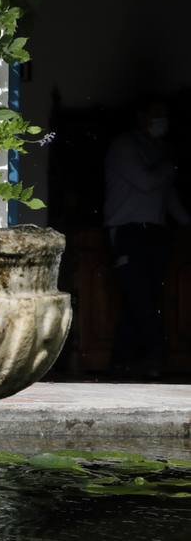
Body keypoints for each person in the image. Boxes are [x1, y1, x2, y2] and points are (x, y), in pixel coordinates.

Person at [104, 99, 189, 379]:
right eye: (156, 115)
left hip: (155, 231)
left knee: (145, 299)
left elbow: (167, 194)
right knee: (139, 298)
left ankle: (123, 363)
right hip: (128, 231)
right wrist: (170, 165)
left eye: (164, 115)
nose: (161, 120)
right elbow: (146, 181)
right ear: (141, 116)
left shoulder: (162, 151)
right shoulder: (124, 147)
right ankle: (153, 359)